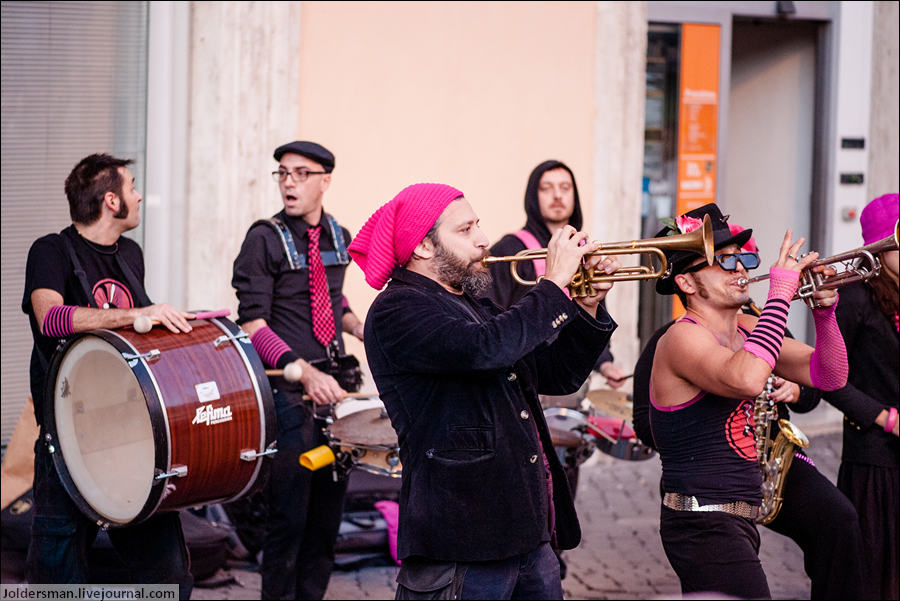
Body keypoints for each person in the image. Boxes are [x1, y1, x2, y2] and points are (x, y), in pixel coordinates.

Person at [348, 183, 618, 599]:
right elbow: (485, 349)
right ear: (423, 247)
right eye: (466, 229)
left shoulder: (475, 302)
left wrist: (587, 305)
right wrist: (554, 283)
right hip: (463, 540)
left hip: (528, 533)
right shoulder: (396, 310)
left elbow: (555, 376)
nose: (483, 240)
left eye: (479, 225)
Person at [631, 222, 866, 600]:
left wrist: (825, 313)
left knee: (837, 521)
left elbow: (830, 375)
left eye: (745, 258)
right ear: (687, 284)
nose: (741, 269)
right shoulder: (680, 338)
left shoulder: (747, 328)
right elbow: (746, 379)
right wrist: (780, 293)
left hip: (739, 515)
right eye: (724, 261)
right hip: (700, 521)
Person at [22, 153, 194, 596]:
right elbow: (51, 320)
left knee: (168, 578)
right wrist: (135, 315)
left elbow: (139, 335)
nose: (140, 196)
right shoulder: (51, 250)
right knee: (56, 584)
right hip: (68, 440)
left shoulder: (130, 254)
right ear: (112, 201)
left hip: (130, 439)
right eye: (133, 188)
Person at [231, 140, 365, 600]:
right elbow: (252, 324)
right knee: (289, 516)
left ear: (325, 180)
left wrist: (364, 329)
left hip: (337, 392)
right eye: (282, 173)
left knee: (328, 518)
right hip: (289, 396)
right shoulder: (262, 239)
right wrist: (302, 371)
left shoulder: (341, 236)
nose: (289, 182)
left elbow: (333, 299)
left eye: (301, 173)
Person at [484, 159, 627, 389]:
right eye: (546, 188)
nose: (557, 196)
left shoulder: (581, 250)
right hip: (524, 376)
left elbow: (596, 309)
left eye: (565, 188)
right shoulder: (511, 249)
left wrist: (605, 363)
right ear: (533, 196)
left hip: (570, 374)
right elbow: (489, 314)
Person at [823, 192, 899, 600]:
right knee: (872, 576)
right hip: (874, 460)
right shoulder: (853, 297)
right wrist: (885, 417)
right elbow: (828, 378)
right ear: (879, 247)